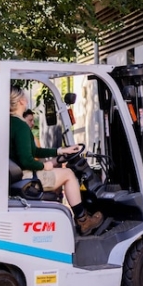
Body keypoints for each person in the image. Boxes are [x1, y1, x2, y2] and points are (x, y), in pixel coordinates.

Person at [9, 87, 104, 236]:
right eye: (25, 97)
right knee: (68, 174)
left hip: (19, 176)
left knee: (59, 166)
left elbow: (35, 152)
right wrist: (44, 165)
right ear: (21, 101)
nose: (26, 99)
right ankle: (83, 220)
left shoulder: (10, 123)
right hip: (27, 177)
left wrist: (60, 151)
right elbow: (27, 160)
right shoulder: (20, 126)